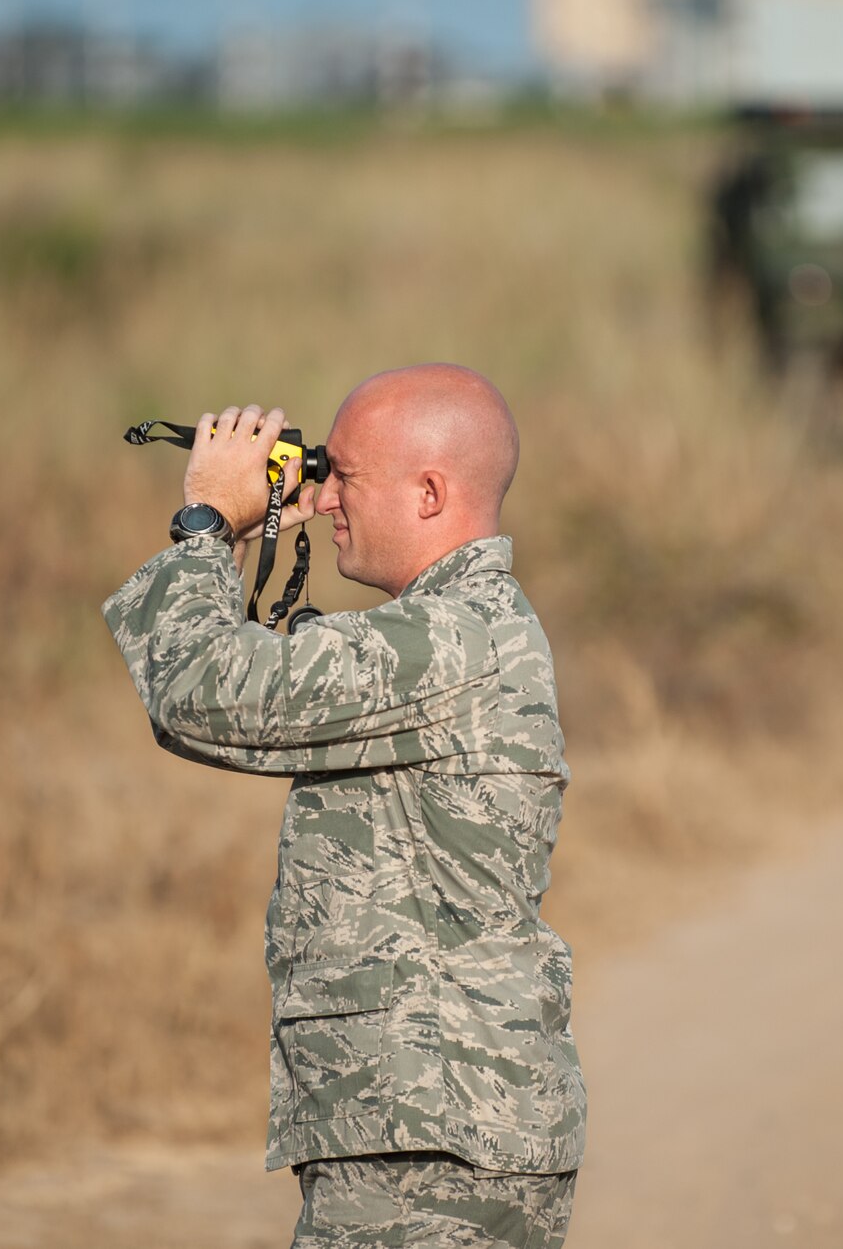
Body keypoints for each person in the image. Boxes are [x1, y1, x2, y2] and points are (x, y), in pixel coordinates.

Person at [102, 364, 584, 1248]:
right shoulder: (461, 630)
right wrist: (248, 540)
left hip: (430, 1141)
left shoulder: (448, 640)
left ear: (430, 492)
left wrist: (207, 517)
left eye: (345, 477)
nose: (324, 502)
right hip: (442, 1128)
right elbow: (244, 700)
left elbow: (203, 691)